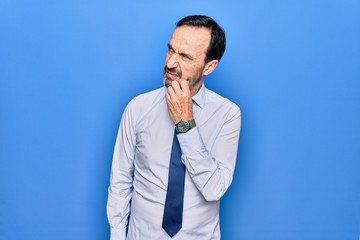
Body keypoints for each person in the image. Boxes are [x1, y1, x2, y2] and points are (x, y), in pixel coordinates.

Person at [107, 15, 241, 240]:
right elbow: (120, 184)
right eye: (171, 50)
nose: (170, 63)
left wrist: (185, 124)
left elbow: (214, 189)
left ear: (209, 66)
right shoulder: (138, 108)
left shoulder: (227, 115)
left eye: (185, 56)